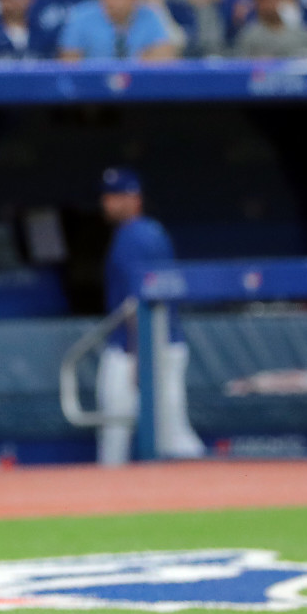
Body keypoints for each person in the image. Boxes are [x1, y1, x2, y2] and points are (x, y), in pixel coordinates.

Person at [97, 167, 206, 464]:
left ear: (135, 198)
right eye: (107, 196)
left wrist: (139, 355)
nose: (109, 203)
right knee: (168, 430)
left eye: (117, 196)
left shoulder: (134, 237)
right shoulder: (152, 231)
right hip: (159, 344)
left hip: (136, 348)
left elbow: (139, 301)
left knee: (125, 432)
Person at [58, 0, 178, 61]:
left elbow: (165, 58)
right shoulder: (81, 16)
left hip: (138, 88)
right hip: (89, 88)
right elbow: (69, 64)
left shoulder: (150, 15)